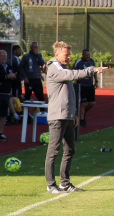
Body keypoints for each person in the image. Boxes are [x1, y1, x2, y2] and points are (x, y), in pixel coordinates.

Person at [45, 42, 106, 193]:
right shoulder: (54, 68)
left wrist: (75, 113)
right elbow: (72, 75)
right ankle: (51, 185)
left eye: (69, 55)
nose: (68, 57)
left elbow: (70, 95)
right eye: (66, 55)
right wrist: (92, 70)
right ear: (57, 54)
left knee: (70, 149)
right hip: (58, 116)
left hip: (67, 115)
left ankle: (65, 183)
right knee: (53, 151)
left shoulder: (63, 67)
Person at [0, 49, 18, 141]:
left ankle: (1, 133)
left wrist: (13, 77)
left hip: (6, 93)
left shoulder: (9, 67)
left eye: (4, 56)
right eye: (1, 56)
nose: (3, 58)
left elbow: (14, 77)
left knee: (3, 114)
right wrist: (6, 76)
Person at [20, 41, 46, 117]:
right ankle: (26, 114)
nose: (35, 49)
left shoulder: (39, 55)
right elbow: (21, 67)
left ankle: (42, 113)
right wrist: (24, 77)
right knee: (27, 97)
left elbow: (42, 63)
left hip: (37, 79)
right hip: (29, 79)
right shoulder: (26, 56)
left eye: (36, 47)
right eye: (33, 47)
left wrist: (37, 55)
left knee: (41, 96)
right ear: (30, 47)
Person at [74, 48, 98, 126]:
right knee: (83, 103)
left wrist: (96, 81)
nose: (88, 56)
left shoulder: (91, 61)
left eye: (89, 55)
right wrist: (76, 85)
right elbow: (75, 73)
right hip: (82, 86)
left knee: (92, 103)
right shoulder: (78, 62)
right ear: (83, 55)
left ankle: (82, 113)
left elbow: (94, 71)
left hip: (90, 85)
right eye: (86, 55)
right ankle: (82, 120)